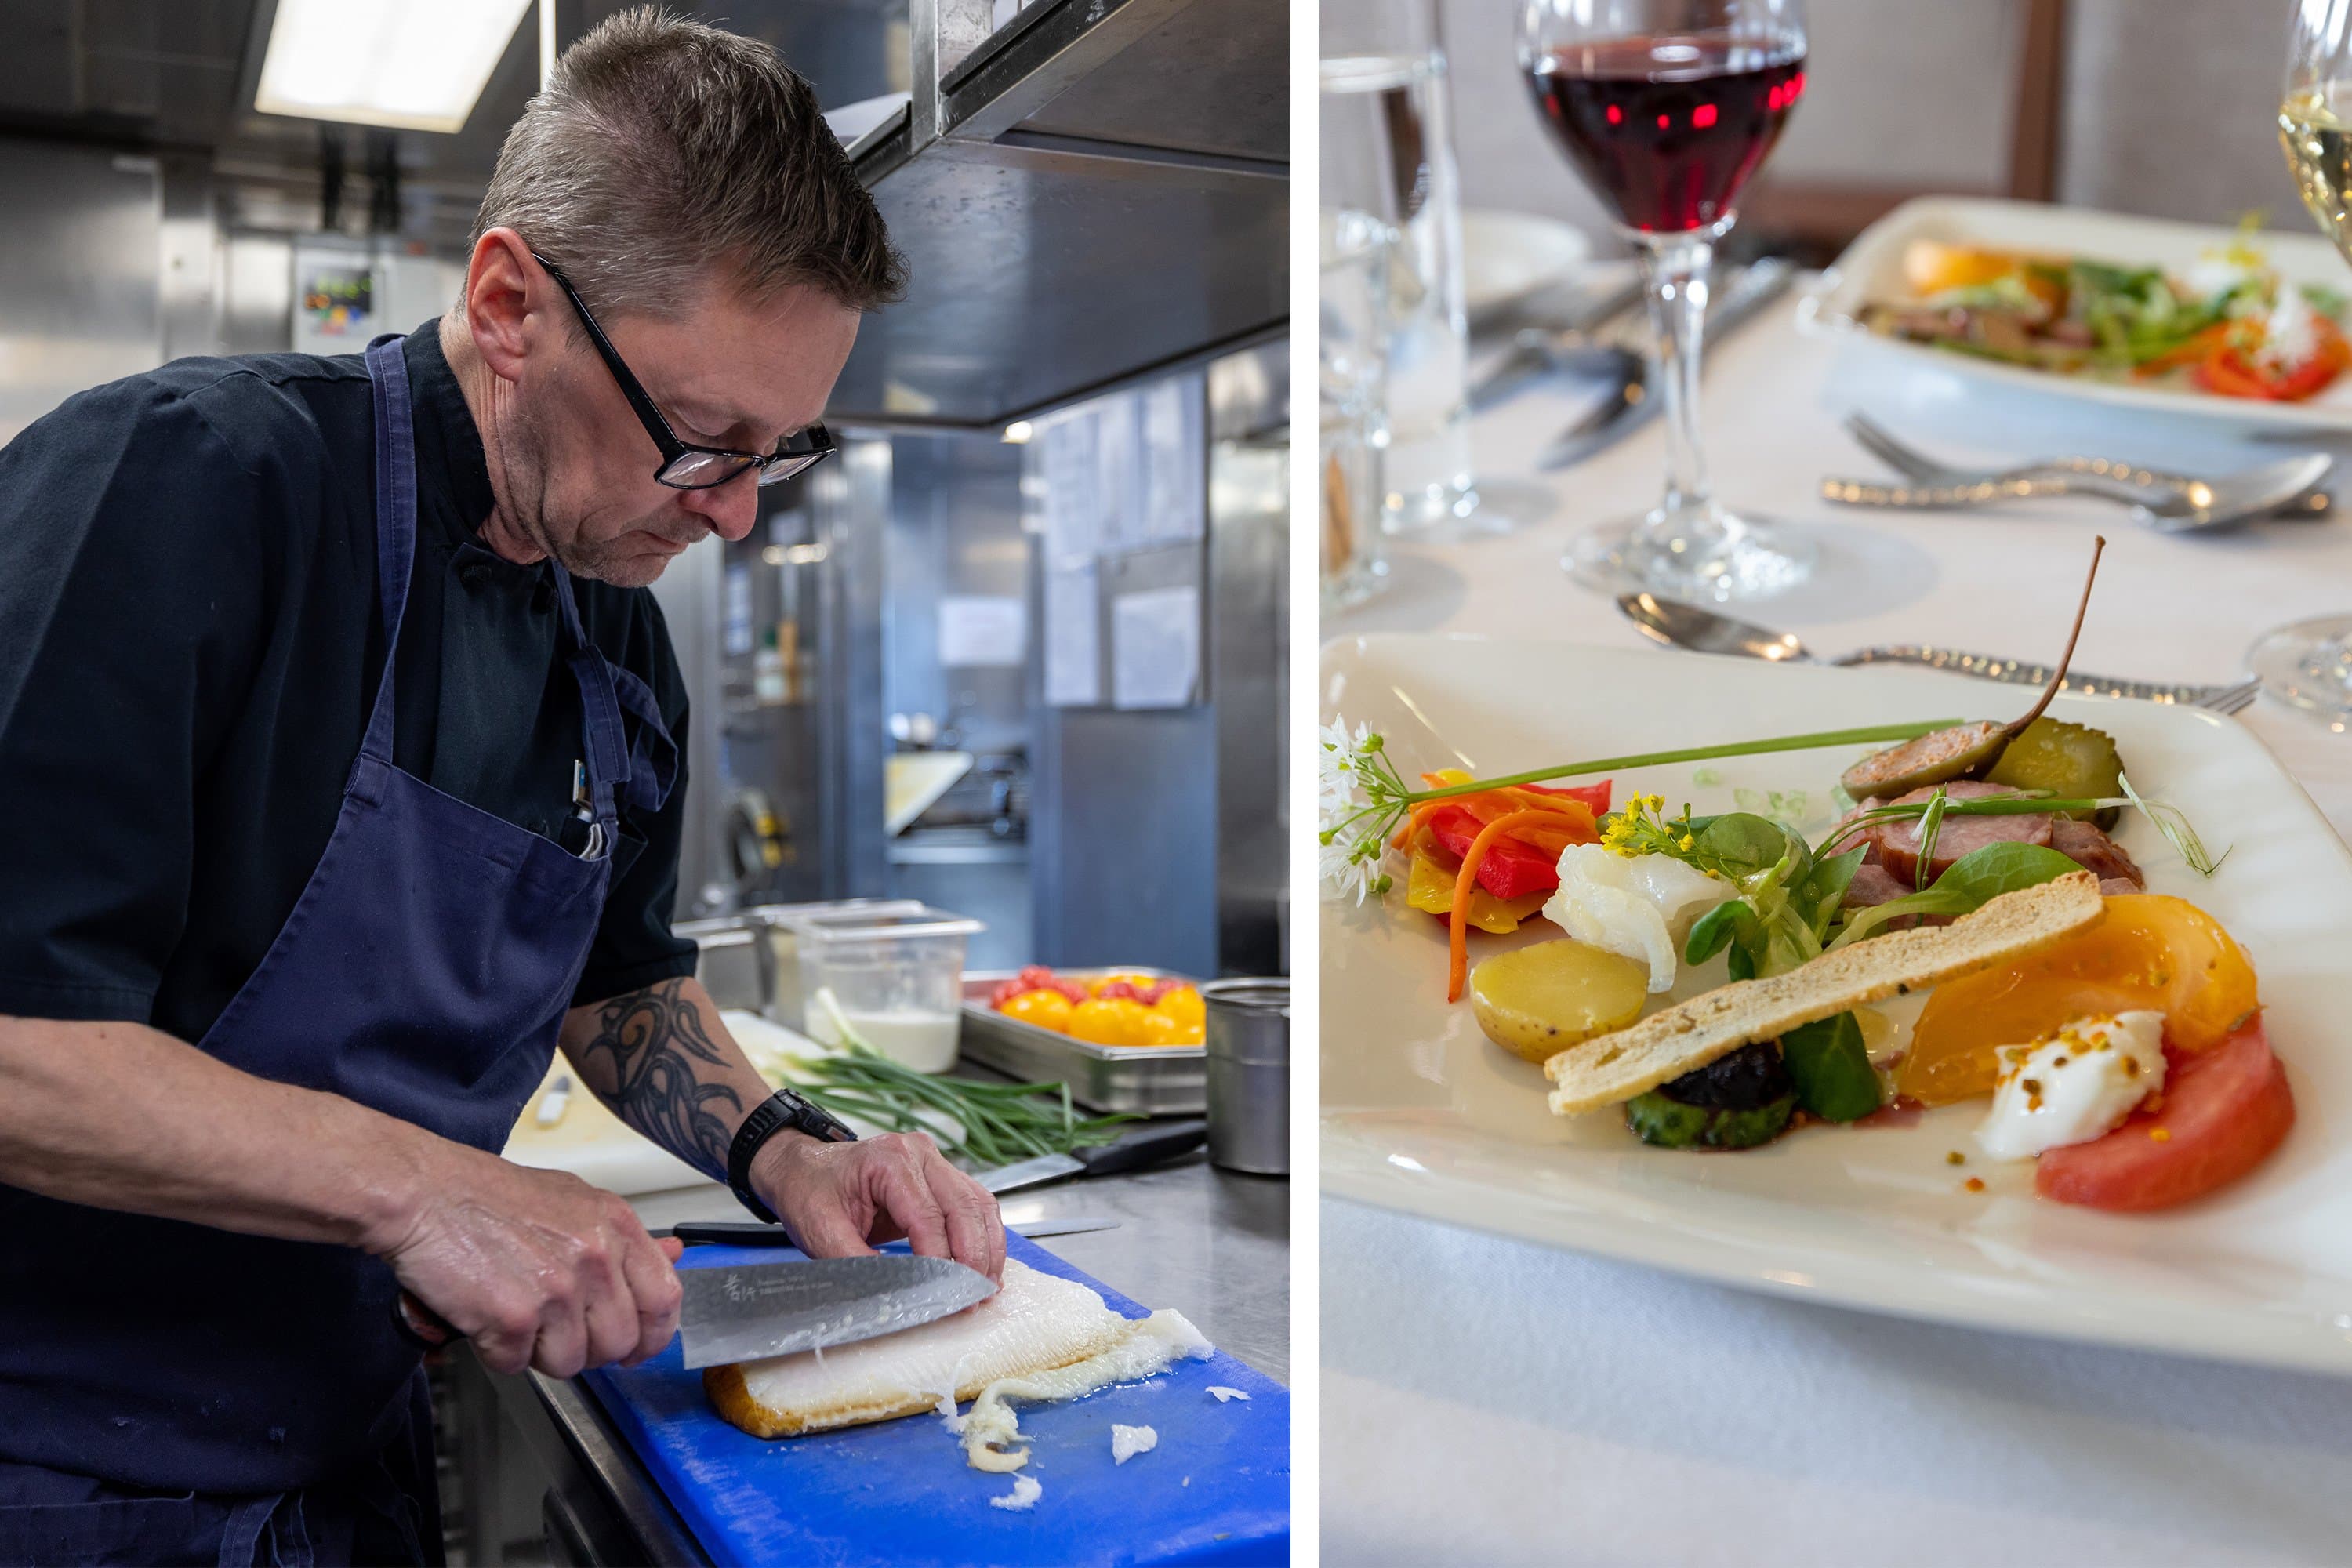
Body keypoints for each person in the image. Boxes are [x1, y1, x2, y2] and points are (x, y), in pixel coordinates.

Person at [0, 10, 1003, 1562]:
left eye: (780, 452)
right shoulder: (188, 490)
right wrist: (420, 1190)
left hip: (346, 1458)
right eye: (702, 445)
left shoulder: (611, 632)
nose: (735, 515)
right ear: (510, 301)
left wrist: (789, 1148)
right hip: (55, 1475)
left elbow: (621, 985)